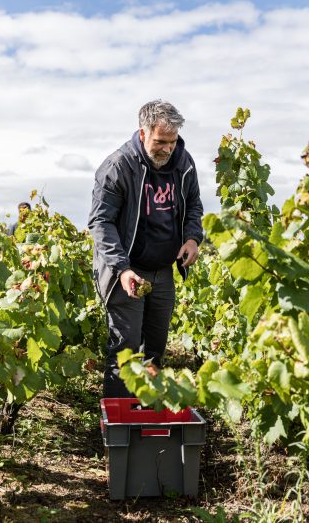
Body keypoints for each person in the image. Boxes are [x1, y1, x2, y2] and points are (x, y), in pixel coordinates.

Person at [88, 100, 203, 397]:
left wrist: (192, 238)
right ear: (143, 134)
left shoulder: (184, 162)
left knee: (154, 349)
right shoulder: (117, 167)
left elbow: (193, 206)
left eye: (172, 141)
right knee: (125, 351)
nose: (167, 149)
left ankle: (146, 419)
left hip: (163, 270)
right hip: (126, 270)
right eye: (160, 141)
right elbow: (101, 222)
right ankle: (119, 429)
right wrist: (122, 269)